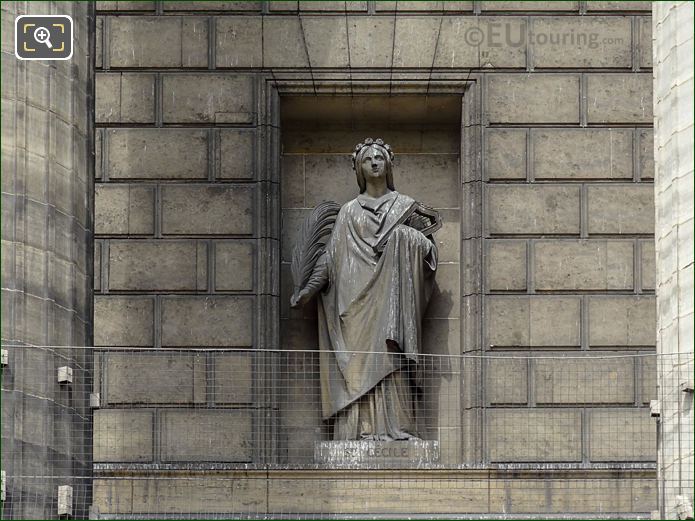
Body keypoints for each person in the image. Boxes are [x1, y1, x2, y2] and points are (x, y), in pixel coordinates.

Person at [291, 138, 439, 441]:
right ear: (359, 168)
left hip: (393, 299)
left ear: (388, 164)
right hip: (353, 303)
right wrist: (307, 289)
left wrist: (406, 238)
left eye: (379, 158)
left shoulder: (404, 207)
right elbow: (330, 259)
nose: (374, 162)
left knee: (391, 353)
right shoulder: (348, 212)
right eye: (368, 159)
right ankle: (358, 430)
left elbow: (428, 254)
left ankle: (396, 427)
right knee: (357, 364)